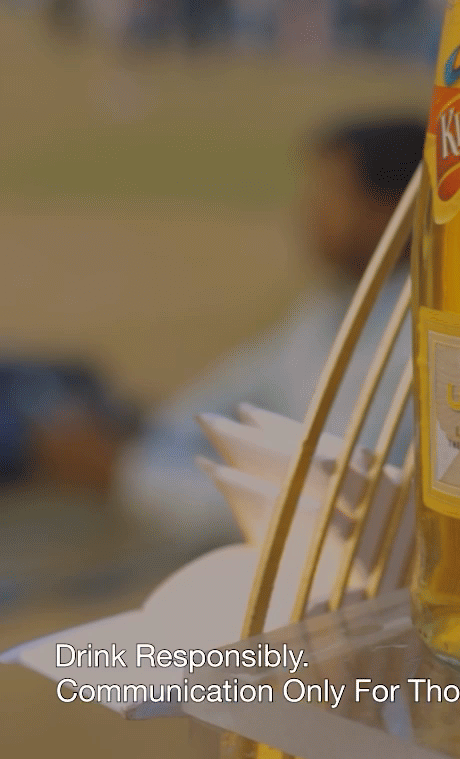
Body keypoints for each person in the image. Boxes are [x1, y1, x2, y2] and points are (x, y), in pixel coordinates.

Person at [13, 118, 423, 551]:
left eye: (332, 195)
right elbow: (218, 397)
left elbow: (323, 512)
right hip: (176, 457)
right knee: (48, 388)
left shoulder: (405, 340)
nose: (309, 210)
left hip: (302, 545)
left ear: (392, 212)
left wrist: (121, 473)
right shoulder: (332, 305)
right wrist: (129, 443)